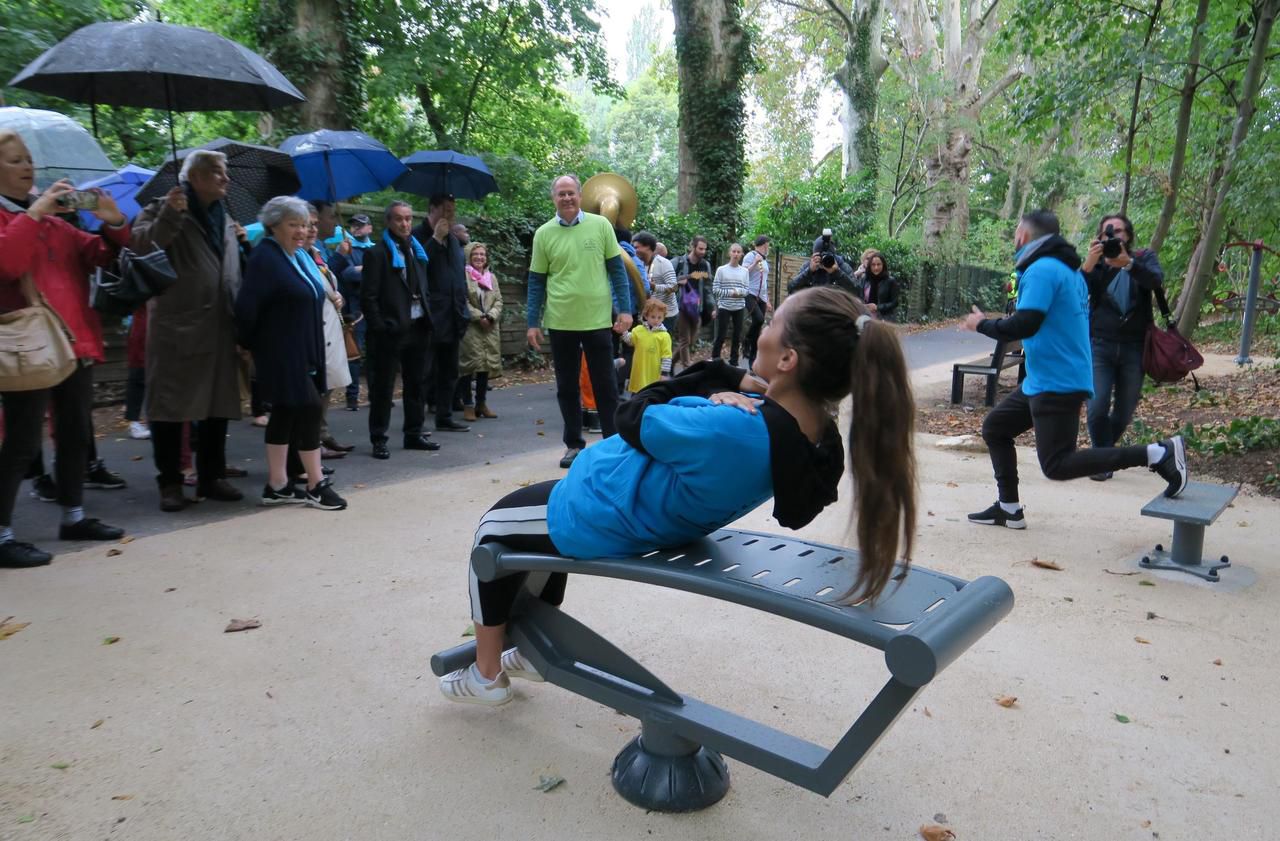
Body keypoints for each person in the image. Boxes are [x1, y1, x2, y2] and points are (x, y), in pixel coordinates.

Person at [438, 286, 918, 704]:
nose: (764, 328)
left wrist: (719, 379)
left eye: (773, 321)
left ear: (788, 359)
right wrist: (741, 391)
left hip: (598, 510)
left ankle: (487, 674)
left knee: (493, 532)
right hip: (639, 510)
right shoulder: (813, 435)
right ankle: (525, 643)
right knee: (529, 541)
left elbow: (634, 411)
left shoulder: (734, 429)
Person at [963, 210, 1188, 531]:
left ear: (1024, 236)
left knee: (1057, 464)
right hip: (1046, 378)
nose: (1014, 237)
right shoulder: (1068, 270)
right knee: (996, 428)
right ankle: (1009, 507)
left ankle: (1157, 453)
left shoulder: (1042, 269)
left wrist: (981, 324)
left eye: (1016, 231)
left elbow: (1027, 321)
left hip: (1057, 381)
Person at [0, 129, 129, 567]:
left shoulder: (57, 224)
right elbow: (8, 264)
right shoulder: (23, 221)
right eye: (16, 160)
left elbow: (101, 255)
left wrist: (112, 223)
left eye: (29, 159)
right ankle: (2, 533)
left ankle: (74, 516)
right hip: (28, 345)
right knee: (20, 441)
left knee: (76, 435)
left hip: (75, 341)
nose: (28, 167)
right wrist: (34, 211)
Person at [131, 149, 245, 511]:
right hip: (178, 324)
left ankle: (212, 476)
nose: (225, 178)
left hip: (220, 324)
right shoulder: (162, 206)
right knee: (170, 407)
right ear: (193, 177)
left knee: (216, 405)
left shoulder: (224, 215)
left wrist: (242, 243)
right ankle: (170, 483)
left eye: (224, 172)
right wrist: (169, 215)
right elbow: (141, 246)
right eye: (216, 172)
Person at [234, 196, 347, 511]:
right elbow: (246, 308)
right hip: (281, 350)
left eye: (303, 225)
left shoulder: (295, 256)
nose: (300, 231)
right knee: (309, 407)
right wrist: (248, 343)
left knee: (285, 412)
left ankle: (278, 485)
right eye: (292, 225)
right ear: (274, 225)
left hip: (304, 347)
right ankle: (315, 483)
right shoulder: (265, 257)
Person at [526, 174, 633, 470]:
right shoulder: (543, 234)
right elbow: (536, 282)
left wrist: (625, 310)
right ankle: (573, 444)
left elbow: (617, 272)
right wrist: (532, 322)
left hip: (598, 319)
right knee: (567, 387)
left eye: (571, 193)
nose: (567, 198)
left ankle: (613, 442)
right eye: (561, 194)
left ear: (580, 195)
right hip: (560, 321)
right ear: (554, 198)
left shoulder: (600, 226)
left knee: (606, 385)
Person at [1082, 213, 1165, 481]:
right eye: (1107, 233)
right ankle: (1101, 460)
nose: (1113, 237)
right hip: (1100, 345)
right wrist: (1089, 266)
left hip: (1134, 347)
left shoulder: (1143, 258)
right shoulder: (1096, 264)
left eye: (1118, 231)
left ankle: (1102, 455)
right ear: (1100, 237)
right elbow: (1077, 294)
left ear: (1127, 235)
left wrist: (1128, 264)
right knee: (1096, 406)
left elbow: (1154, 281)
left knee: (1124, 409)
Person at [360, 201, 439, 459]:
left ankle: (414, 433)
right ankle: (379, 438)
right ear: (388, 222)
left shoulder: (417, 252)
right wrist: (381, 327)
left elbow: (423, 287)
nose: (404, 224)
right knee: (383, 388)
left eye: (407, 219)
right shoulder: (377, 254)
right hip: (391, 332)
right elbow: (368, 298)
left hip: (418, 327)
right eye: (398, 219)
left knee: (416, 384)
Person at [413, 194, 471, 432]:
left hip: (454, 314)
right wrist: (436, 239)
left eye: (452, 210)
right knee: (424, 371)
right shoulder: (418, 235)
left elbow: (458, 274)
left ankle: (445, 416)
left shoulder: (455, 241)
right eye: (446, 210)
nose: (450, 215)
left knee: (449, 371)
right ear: (432, 209)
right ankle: (415, 424)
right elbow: (417, 267)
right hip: (430, 317)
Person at [302, 205, 354, 457]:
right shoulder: (301, 253)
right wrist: (342, 256)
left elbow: (327, 281)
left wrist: (338, 294)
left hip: (329, 326)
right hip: (315, 330)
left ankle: (321, 434)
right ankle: (313, 441)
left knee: (327, 385)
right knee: (316, 387)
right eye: (330, 215)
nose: (333, 220)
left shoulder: (318, 251)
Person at [327, 213, 374, 411]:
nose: (356, 228)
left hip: (376, 308)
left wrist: (362, 270)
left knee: (376, 354)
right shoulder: (345, 249)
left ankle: (377, 394)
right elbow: (347, 275)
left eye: (361, 225)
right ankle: (352, 397)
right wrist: (368, 271)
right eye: (354, 225)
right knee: (354, 353)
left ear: (369, 228)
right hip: (355, 311)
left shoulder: (376, 249)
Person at [457, 241, 503, 421]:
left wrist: (491, 316)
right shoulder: (463, 276)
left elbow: (498, 300)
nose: (479, 257)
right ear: (468, 256)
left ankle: (481, 403)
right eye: (475, 254)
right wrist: (479, 317)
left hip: (490, 327)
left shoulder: (491, 277)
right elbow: (462, 299)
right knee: (468, 365)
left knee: (486, 365)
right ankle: (468, 404)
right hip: (471, 326)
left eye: (482, 254)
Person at [671, 236, 712, 372]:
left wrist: (712, 306)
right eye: (700, 248)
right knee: (685, 340)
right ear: (692, 247)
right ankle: (687, 369)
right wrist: (677, 281)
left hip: (696, 307)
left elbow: (708, 287)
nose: (703, 252)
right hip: (682, 306)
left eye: (705, 249)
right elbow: (665, 278)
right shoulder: (679, 262)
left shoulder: (705, 265)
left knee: (691, 341)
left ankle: (669, 364)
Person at [621, 297, 673, 394]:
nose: (656, 320)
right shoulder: (638, 330)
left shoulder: (664, 336)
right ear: (646, 316)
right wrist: (623, 330)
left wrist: (664, 373)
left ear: (663, 317)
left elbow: (667, 357)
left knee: (650, 395)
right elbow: (630, 340)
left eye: (659, 317)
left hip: (654, 374)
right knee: (636, 394)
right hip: (639, 372)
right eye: (653, 317)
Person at [632, 231, 678, 334]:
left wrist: (654, 287)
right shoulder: (639, 264)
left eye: (637, 247)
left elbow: (674, 287)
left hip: (666, 316)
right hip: (649, 315)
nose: (634, 251)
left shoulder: (663, 263)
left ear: (648, 247)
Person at [711, 243, 749, 366]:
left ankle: (734, 361)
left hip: (739, 307)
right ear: (729, 253)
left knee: (737, 335)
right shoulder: (721, 270)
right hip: (724, 306)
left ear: (742, 254)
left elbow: (746, 290)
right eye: (734, 251)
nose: (736, 254)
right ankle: (715, 359)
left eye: (738, 252)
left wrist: (738, 293)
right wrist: (730, 293)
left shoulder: (745, 271)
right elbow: (715, 289)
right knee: (721, 335)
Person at [741, 235, 772, 368]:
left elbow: (764, 281)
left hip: (762, 297)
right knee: (759, 319)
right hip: (750, 294)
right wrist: (754, 262)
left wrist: (768, 300)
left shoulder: (765, 260)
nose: (768, 247)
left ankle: (752, 359)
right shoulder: (750, 255)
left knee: (758, 326)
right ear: (764, 244)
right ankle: (746, 341)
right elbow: (742, 273)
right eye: (768, 245)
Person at [852, 250, 902, 322]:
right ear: (869, 266)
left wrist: (878, 307)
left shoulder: (890, 281)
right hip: (866, 317)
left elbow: (895, 303)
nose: (876, 267)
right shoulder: (865, 279)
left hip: (884, 320)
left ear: (883, 265)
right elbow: (860, 295)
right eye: (873, 265)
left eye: (879, 264)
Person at [787, 249, 858, 297]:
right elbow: (791, 288)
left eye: (827, 256)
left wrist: (837, 272)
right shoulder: (808, 266)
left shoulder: (842, 266)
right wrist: (809, 271)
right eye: (819, 256)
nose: (822, 260)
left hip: (837, 311)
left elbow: (856, 291)